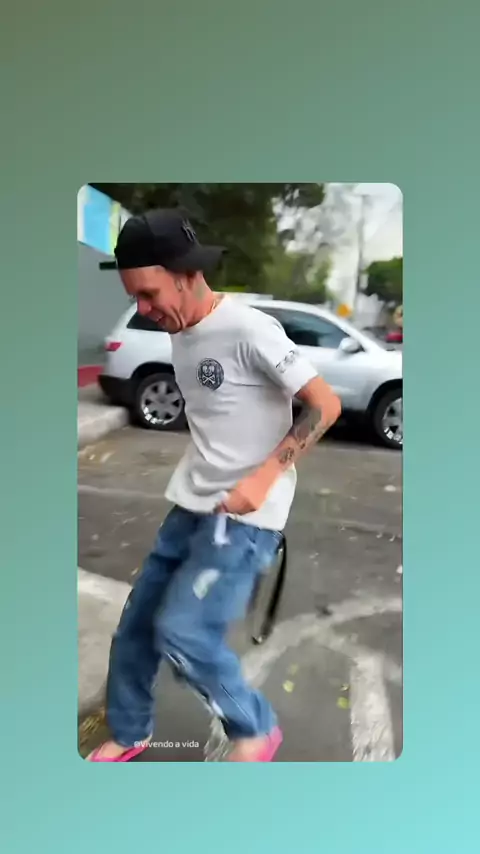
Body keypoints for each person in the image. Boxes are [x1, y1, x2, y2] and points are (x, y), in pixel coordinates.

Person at [87, 208, 341, 762]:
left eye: (149, 294)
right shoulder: (181, 330)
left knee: (184, 633)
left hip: (246, 518)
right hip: (191, 504)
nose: (144, 311)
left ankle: (255, 726)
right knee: (136, 627)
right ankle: (131, 731)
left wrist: (264, 477)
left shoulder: (250, 329)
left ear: (186, 273)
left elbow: (325, 404)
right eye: (135, 298)